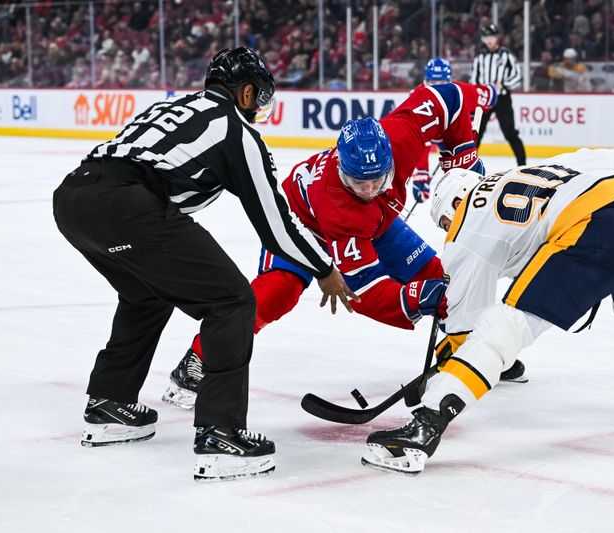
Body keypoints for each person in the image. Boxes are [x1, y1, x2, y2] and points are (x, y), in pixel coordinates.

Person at [53, 47, 357, 482]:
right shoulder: (237, 131)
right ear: (247, 92)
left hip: (72, 199)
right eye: (260, 97)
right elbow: (276, 225)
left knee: (145, 293)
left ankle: (110, 403)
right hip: (127, 205)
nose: (260, 108)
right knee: (232, 303)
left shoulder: (173, 105)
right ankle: (221, 435)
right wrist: (324, 268)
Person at [361, 148, 614, 475]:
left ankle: (423, 428)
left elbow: (470, 331)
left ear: (451, 206)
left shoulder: (466, 226)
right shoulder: (531, 170)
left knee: (507, 325)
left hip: (597, 231)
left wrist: (449, 361)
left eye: (445, 220)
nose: (448, 227)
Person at [162, 80, 525, 410]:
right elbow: (362, 291)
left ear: (390, 161)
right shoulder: (339, 205)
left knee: (439, 275)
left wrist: (460, 153)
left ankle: (475, 348)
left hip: (378, 223)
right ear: (340, 170)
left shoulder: (402, 135)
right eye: (357, 182)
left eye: (376, 180)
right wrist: (417, 299)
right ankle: (198, 359)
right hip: (300, 224)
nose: (368, 190)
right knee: (276, 294)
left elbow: (452, 97)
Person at [409, 57, 498, 205]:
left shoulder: (459, 92)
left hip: (454, 139)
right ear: (425, 81)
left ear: (450, 80)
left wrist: (474, 109)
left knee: (468, 180)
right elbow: (420, 140)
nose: (438, 88)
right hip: (435, 134)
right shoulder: (417, 97)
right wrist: (421, 173)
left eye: (442, 83)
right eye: (433, 83)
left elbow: (490, 95)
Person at [471, 24, 527, 167]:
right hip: (483, 100)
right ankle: (469, 165)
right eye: (486, 37)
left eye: (492, 37)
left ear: (497, 38)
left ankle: (523, 165)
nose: (489, 40)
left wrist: (504, 84)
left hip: (502, 99)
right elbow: (474, 79)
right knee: (476, 133)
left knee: (510, 133)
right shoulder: (480, 57)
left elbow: (517, 76)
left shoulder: (507, 55)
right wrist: (476, 95)